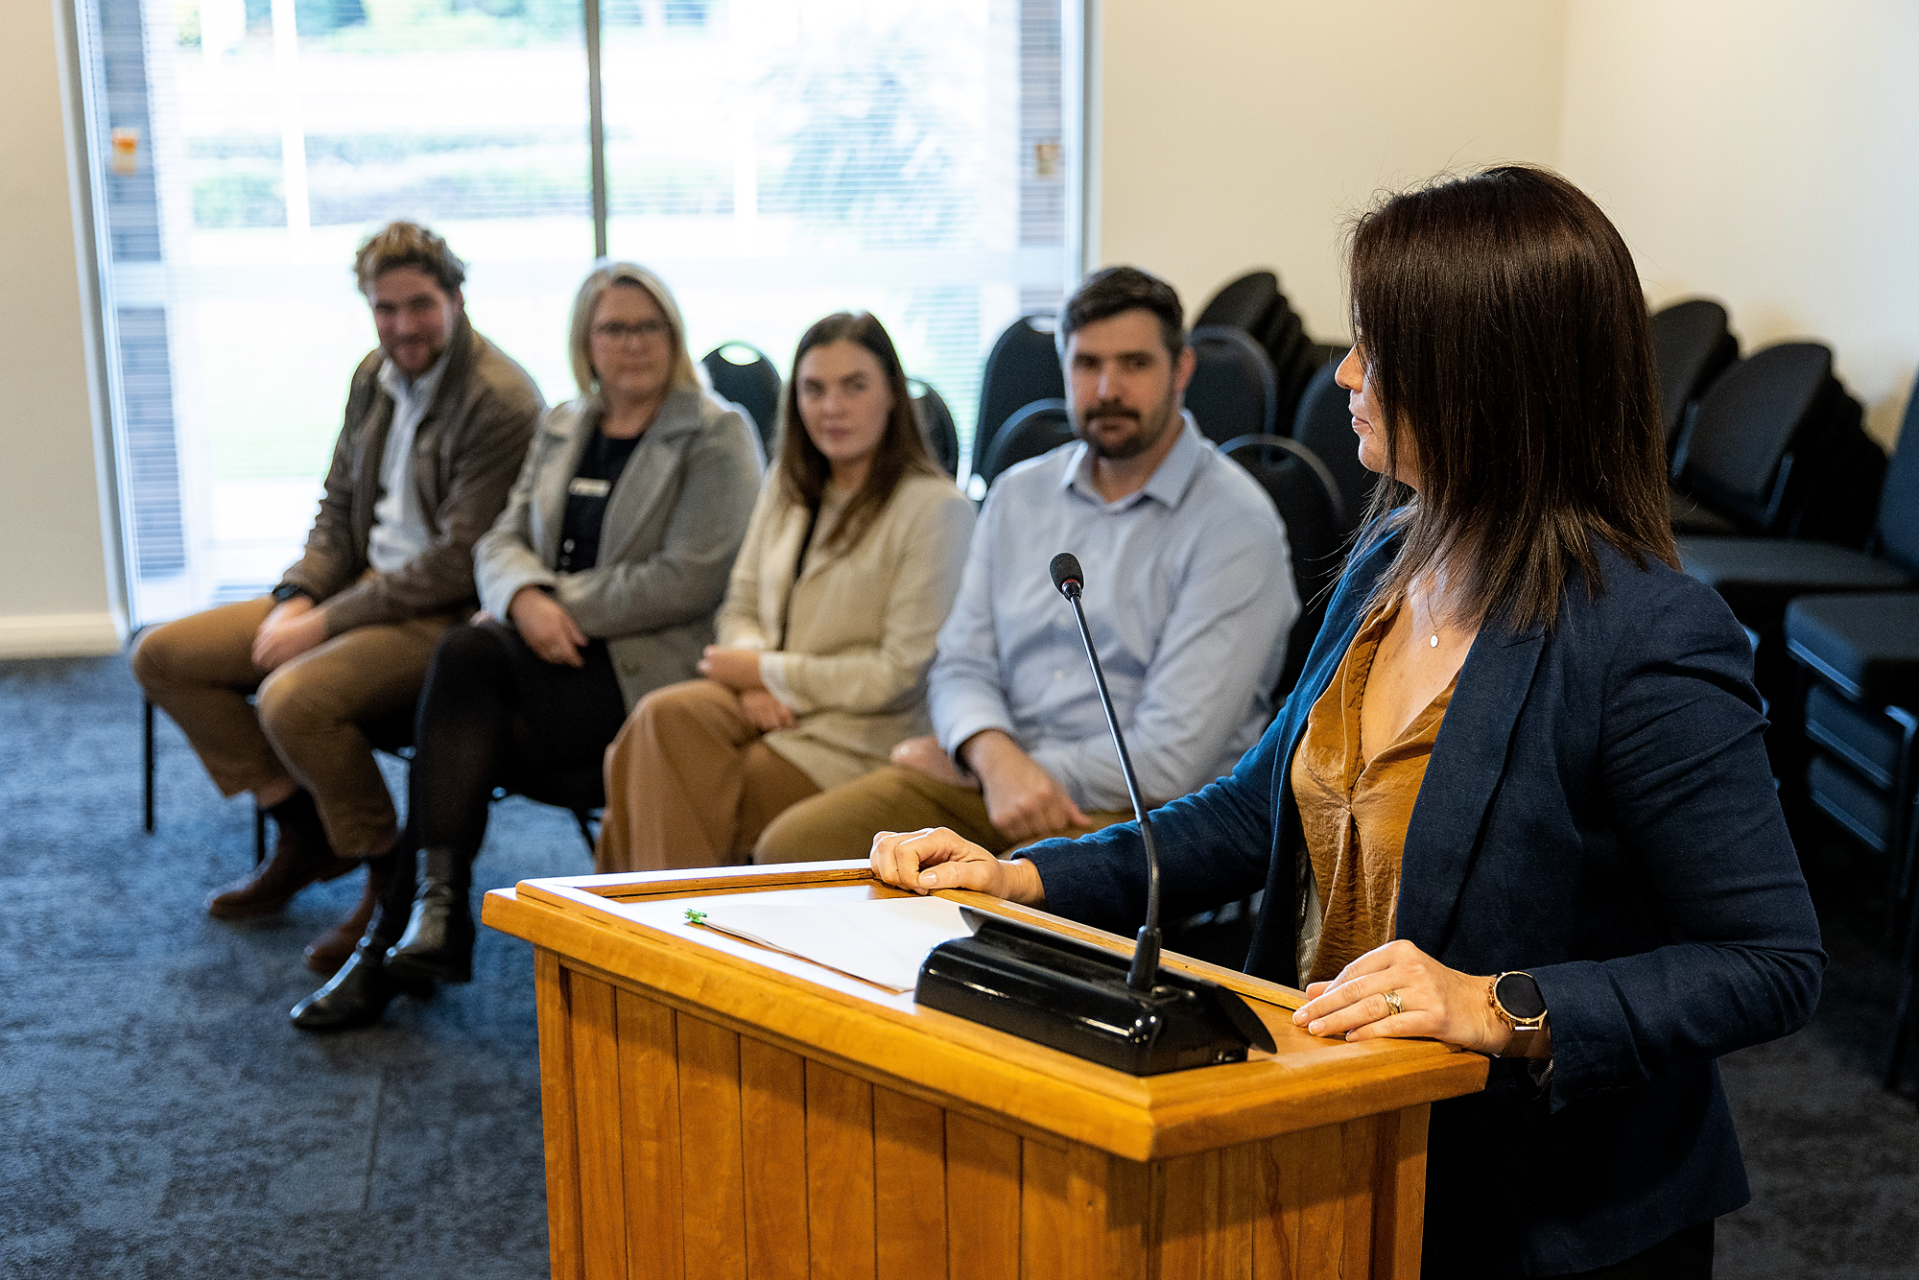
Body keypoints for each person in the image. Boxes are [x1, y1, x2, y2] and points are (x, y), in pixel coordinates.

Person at [870, 168, 1825, 1278]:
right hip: (1338, 1135)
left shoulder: (1646, 632)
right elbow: (1249, 809)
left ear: (1479, 374)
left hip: (1544, 1207)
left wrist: (1502, 1003)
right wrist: (1019, 879)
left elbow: (1769, 959)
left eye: (1373, 349)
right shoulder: (1389, 555)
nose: (1343, 376)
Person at [289, 260, 762, 1031]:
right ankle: (425, 924)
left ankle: (400, 939)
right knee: (465, 687)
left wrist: (548, 605)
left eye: (648, 326)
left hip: (643, 677)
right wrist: (521, 597)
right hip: (537, 662)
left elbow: (688, 578)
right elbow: (501, 537)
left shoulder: (714, 433)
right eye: (612, 327)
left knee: (460, 703)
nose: (631, 343)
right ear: (586, 340)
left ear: (673, 336)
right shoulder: (567, 422)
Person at [756, 267, 1296, 862]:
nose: (1107, 389)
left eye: (1134, 364)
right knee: (791, 848)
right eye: (1087, 365)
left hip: (1135, 811)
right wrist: (991, 756)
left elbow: (1171, 759)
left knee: (998, 913)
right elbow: (960, 663)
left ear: (1182, 370)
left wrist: (1000, 767)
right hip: (992, 777)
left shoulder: (1236, 524)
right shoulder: (1019, 495)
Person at [131, 222, 543, 971]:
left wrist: (324, 620)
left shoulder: (501, 399)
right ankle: (305, 831)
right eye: (384, 309)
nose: (401, 326)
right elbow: (338, 502)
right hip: (358, 590)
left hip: (444, 617)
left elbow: (459, 562)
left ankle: (386, 874)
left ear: (455, 297)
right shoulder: (374, 374)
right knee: (164, 656)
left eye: (419, 305)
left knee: (294, 698)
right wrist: (299, 594)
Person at [594, 311, 976, 872]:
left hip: (856, 737)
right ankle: (659, 939)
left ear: (893, 394)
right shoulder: (788, 483)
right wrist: (754, 675)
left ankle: (645, 945)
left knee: (648, 773)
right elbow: (741, 602)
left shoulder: (936, 509)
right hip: (759, 705)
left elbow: (898, 673)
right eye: (813, 389)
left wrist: (768, 674)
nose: (831, 408)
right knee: (656, 721)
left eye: (854, 386)